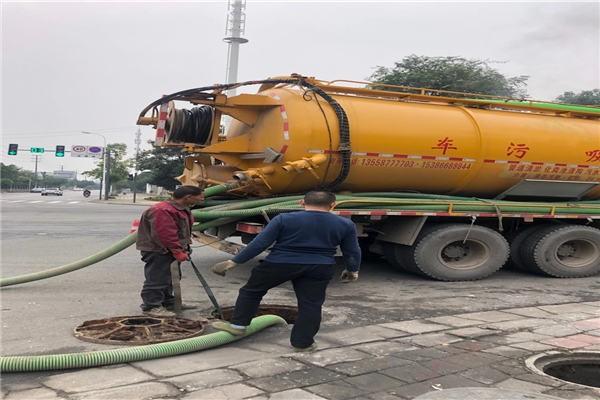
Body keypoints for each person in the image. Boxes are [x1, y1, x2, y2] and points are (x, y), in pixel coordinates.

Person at [211, 190, 361, 351]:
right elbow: (352, 251)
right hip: (320, 266)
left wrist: (233, 261)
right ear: (332, 205)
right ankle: (303, 343)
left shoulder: (284, 219)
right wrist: (353, 270)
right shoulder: (345, 224)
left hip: (280, 263)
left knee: (252, 291)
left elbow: (259, 243)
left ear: (302, 203)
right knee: (311, 304)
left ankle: (238, 326)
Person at [136, 185, 205, 317]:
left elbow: (181, 231)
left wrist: (184, 248)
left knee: (171, 277)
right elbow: (165, 234)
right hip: (159, 250)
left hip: (171, 249)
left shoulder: (181, 209)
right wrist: (177, 251)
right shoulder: (162, 210)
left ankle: (167, 302)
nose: (202, 200)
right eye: (199, 197)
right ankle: (151, 306)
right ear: (188, 197)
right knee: (157, 278)